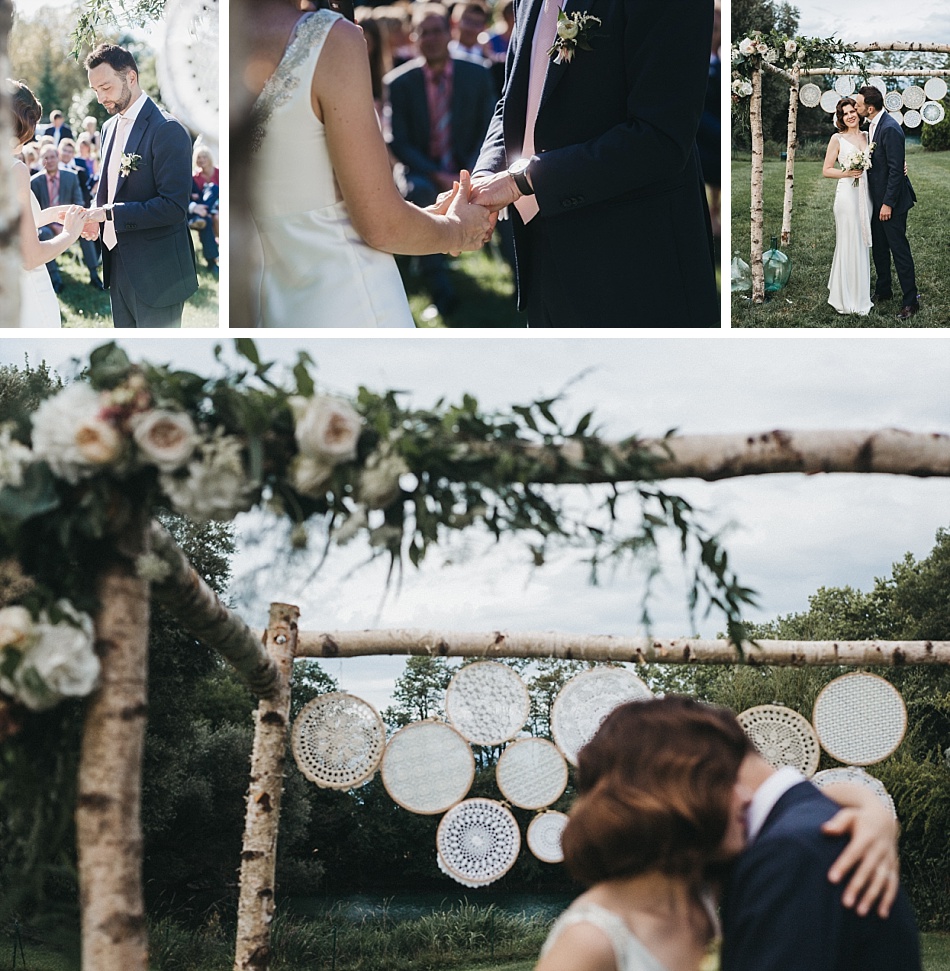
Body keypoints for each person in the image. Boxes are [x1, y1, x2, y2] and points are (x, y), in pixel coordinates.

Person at [537, 696, 919, 971]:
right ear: (676, 793)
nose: (745, 795)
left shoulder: (700, 895)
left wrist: (873, 812)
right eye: (718, 779)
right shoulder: (590, 940)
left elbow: (808, 802)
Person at [241, 0, 492, 328]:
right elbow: (382, 226)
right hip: (348, 303)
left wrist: (425, 217)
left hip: (267, 312)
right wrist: (459, 231)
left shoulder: (215, 46)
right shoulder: (328, 39)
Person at [469, 0, 719, 327]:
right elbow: (515, 99)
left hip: (636, 265)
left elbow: (661, 137)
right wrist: (482, 179)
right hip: (544, 253)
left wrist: (521, 181)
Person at [386, 2, 497, 317]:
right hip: (422, 169)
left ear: (449, 32)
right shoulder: (399, 82)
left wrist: (474, 171)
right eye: (424, 32)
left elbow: (489, 126)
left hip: (470, 166)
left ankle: (522, 288)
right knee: (420, 193)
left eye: (437, 31)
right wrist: (435, 173)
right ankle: (441, 292)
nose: (431, 38)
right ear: (414, 37)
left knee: (501, 189)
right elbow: (398, 141)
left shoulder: (476, 74)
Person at [82, 43, 199, 328]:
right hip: (117, 264)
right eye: (96, 90)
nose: (100, 98)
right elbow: (111, 190)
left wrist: (109, 214)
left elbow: (174, 208)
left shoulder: (167, 129)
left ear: (131, 78)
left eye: (106, 88)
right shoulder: (108, 128)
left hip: (159, 274)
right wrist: (93, 219)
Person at [8, 80, 86, 328]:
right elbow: (30, 258)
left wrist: (53, 214)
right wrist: (69, 235)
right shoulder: (13, 169)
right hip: (27, 294)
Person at [853, 86, 919, 321]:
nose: (856, 108)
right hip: (876, 200)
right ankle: (883, 290)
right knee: (880, 248)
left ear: (869, 108)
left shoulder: (890, 128)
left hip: (893, 202)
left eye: (859, 105)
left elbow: (894, 171)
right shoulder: (872, 125)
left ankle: (911, 301)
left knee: (899, 250)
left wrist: (887, 204)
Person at [823, 97, 872, 317]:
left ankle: (861, 291)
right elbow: (826, 170)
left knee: (861, 242)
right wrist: (847, 172)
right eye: (845, 113)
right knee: (848, 240)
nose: (850, 115)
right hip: (847, 195)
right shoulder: (837, 138)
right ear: (841, 118)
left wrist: (903, 166)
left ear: (858, 113)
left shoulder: (868, 135)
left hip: (866, 194)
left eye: (853, 111)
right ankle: (846, 295)